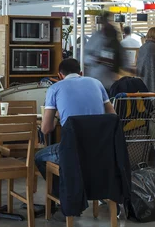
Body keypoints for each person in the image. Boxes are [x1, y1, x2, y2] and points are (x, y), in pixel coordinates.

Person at [35, 58, 115, 199]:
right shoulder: (97, 83)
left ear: (60, 76)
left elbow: (46, 129)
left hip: (72, 152)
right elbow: (113, 117)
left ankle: (62, 197)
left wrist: (57, 116)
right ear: (81, 73)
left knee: (39, 157)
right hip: (101, 150)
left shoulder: (54, 88)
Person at [84, 13, 123, 91]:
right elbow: (85, 57)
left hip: (109, 82)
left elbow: (122, 58)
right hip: (95, 80)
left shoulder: (114, 38)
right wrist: (97, 59)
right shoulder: (96, 38)